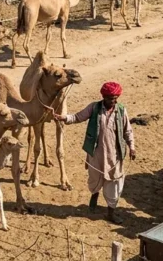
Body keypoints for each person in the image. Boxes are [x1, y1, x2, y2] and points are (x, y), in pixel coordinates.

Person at [53, 81, 135, 224]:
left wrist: (132, 147)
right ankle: (95, 194)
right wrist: (63, 118)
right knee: (94, 178)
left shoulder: (121, 111)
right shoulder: (94, 108)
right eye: (110, 98)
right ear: (104, 97)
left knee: (114, 182)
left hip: (114, 155)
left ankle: (110, 213)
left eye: (115, 98)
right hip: (96, 152)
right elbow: (77, 117)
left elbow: (128, 131)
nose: (113, 101)